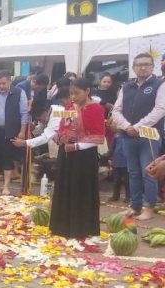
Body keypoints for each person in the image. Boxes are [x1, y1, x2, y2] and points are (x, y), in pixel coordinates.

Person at [111, 53, 165, 220]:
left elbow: (160, 109)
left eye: (146, 64)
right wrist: (127, 126)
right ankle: (135, 206)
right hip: (128, 135)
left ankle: (149, 206)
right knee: (133, 172)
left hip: (149, 136)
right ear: (133, 67)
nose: (142, 67)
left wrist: (137, 126)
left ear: (152, 67)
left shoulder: (160, 84)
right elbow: (116, 110)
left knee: (148, 171)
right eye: (139, 64)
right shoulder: (126, 86)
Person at [49, 78, 105, 239]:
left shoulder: (95, 109)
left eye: (77, 93)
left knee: (81, 190)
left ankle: (81, 228)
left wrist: (76, 146)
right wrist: (60, 137)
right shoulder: (69, 107)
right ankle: (62, 226)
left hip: (84, 157)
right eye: (71, 93)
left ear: (87, 91)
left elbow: (98, 137)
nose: (73, 97)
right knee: (65, 188)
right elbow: (63, 126)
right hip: (66, 154)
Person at [0, 70, 29, 195]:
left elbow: (24, 113)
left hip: (10, 130)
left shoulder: (19, 93)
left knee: (7, 158)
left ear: (9, 81)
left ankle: (6, 185)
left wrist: (22, 131)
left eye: (4, 83)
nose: (1, 86)